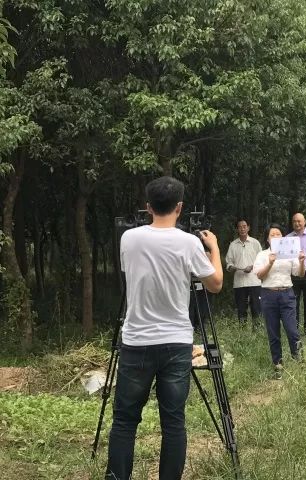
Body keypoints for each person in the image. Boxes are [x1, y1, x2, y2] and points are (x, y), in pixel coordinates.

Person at [105, 176, 223, 480]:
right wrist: (214, 248)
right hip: (175, 342)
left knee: (125, 421)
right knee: (173, 422)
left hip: (136, 342)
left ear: (148, 207)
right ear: (180, 207)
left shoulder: (128, 239)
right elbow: (215, 285)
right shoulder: (189, 243)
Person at [253, 223, 305, 379]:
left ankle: (300, 363)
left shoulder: (290, 253)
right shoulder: (262, 255)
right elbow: (259, 275)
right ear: (268, 239)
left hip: (287, 294)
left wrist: (302, 260)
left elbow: (300, 274)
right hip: (268, 295)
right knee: (273, 333)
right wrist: (270, 262)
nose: (276, 237)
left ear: (283, 237)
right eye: (272, 235)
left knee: (292, 331)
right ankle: (278, 366)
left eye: (278, 234)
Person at [225, 219, 262, 326]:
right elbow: (229, 262)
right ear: (237, 229)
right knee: (241, 309)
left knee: (256, 308)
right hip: (239, 283)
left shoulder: (255, 243)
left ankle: (257, 331)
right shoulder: (233, 244)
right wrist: (231, 267)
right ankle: (242, 331)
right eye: (240, 227)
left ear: (248, 228)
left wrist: (252, 266)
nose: (242, 229)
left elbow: (261, 260)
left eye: (244, 226)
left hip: (254, 281)